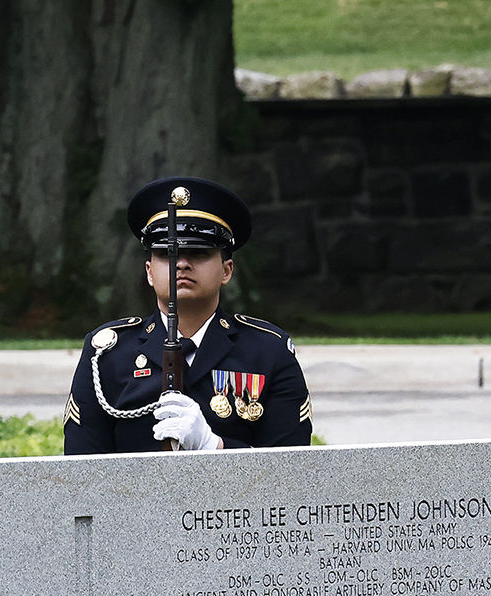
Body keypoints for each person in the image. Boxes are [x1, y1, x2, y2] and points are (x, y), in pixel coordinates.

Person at [63, 176, 313, 453]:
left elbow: (291, 474)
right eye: (167, 254)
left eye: (199, 253)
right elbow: (81, 472)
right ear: (149, 272)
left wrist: (213, 446)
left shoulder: (268, 351)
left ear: (226, 271)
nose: (181, 264)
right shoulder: (107, 353)